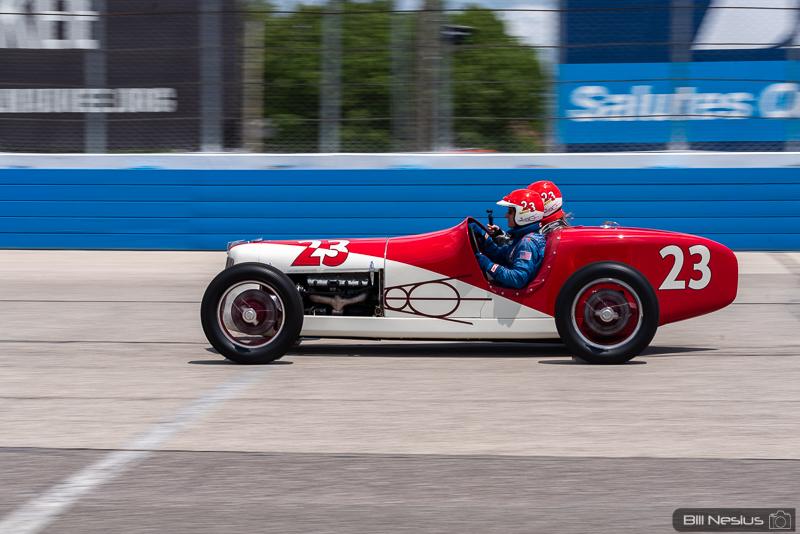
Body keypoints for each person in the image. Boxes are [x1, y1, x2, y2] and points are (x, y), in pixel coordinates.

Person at [470, 189, 546, 289]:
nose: (506, 215)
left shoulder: (527, 243)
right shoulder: (522, 238)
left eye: (510, 212)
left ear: (523, 214)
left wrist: (489, 266)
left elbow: (518, 278)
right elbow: (499, 256)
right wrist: (484, 236)